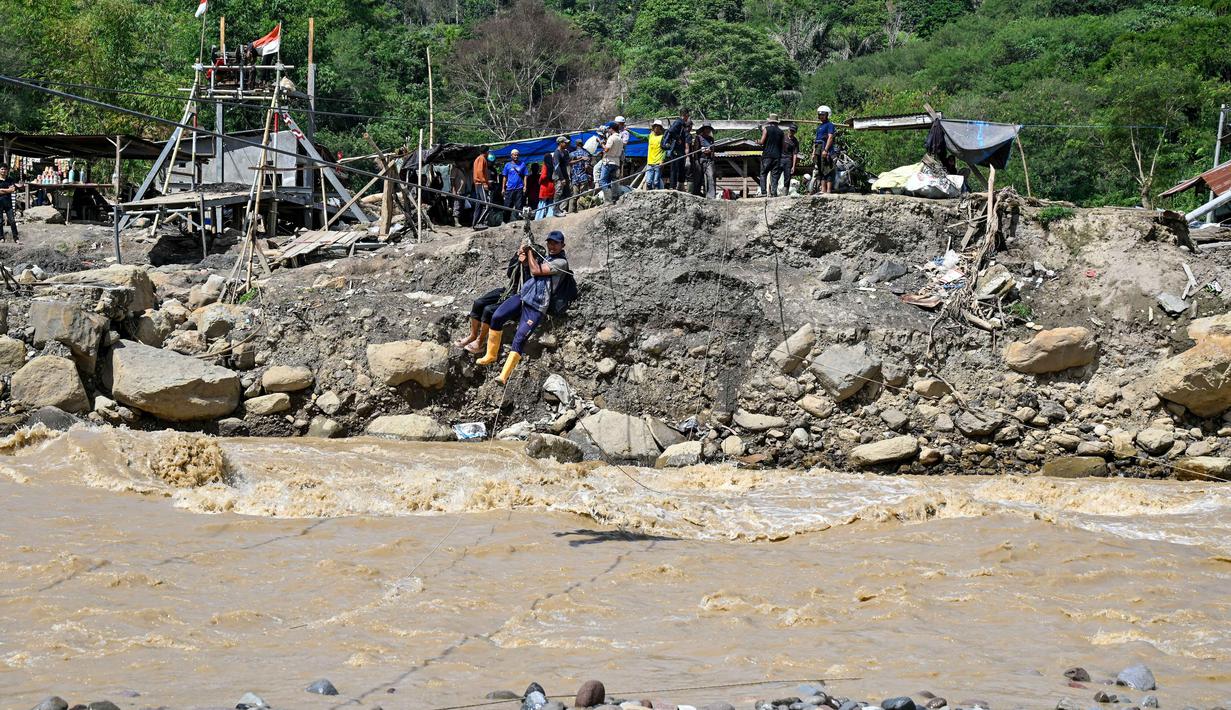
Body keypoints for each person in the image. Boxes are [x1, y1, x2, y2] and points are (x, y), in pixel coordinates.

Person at [477, 230, 570, 384]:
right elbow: (531, 271)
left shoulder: (561, 263)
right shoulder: (547, 257)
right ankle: (491, 354)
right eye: (550, 242)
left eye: (555, 243)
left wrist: (530, 253)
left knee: (519, 338)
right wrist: (524, 258)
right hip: (524, 296)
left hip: (537, 306)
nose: (552, 246)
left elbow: (536, 270)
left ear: (562, 245)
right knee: (497, 316)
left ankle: (504, 376)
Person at [456, 247, 534, 354]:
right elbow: (509, 274)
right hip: (509, 290)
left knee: (489, 310)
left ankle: (481, 341)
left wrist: (526, 265)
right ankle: (472, 335)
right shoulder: (519, 259)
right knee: (478, 303)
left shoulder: (534, 265)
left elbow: (529, 283)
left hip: (518, 296)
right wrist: (516, 257)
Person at [759, 113, 785, 197]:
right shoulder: (781, 132)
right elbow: (782, 145)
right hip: (777, 156)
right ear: (777, 122)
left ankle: (763, 192)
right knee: (774, 175)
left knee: (763, 173)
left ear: (770, 121)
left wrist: (757, 141)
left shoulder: (766, 129)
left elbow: (762, 142)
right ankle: (774, 192)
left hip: (767, 155)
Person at [813, 105, 837, 194]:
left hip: (825, 149)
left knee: (828, 170)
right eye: (819, 115)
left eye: (822, 115)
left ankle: (828, 190)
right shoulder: (819, 127)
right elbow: (816, 141)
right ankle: (823, 190)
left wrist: (825, 150)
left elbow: (830, 138)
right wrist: (813, 152)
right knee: (821, 170)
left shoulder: (830, 125)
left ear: (827, 115)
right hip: (818, 149)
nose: (821, 117)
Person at [666, 109, 691, 190]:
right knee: (674, 168)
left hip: (680, 150)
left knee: (681, 168)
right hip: (676, 150)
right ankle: (672, 186)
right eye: (687, 116)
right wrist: (677, 138)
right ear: (684, 115)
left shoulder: (681, 123)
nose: (687, 118)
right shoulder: (679, 122)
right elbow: (671, 130)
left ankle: (680, 186)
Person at [501, 149, 529, 220]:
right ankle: (505, 221)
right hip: (509, 189)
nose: (516, 156)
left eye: (517, 155)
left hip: (519, 188)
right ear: (511, 156)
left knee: (519, 206)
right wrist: (503, 188)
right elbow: (504, 177)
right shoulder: (507, 165)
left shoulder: (522, 164)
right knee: (507, 206)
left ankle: (519, 221)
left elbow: (525, 175)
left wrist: (525, 186)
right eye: (514, 155)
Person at [600, 125, 624, 203]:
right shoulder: (620, 138)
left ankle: (608, 201)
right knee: (612, 181)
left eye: (609, 128)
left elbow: (606, 149)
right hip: (616, 162)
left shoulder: (612, 138)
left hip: (608, 161)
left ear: (612, 129)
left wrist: (601, 143)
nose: (608, 130)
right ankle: (614, 198)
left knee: (603, 181)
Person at [471, 148, 492, 230]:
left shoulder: (478, 158)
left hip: (478, 184)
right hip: (480, 184)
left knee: (479, 205)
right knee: (487, 205)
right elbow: (480, 171)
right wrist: (484, 183)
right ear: (486, 152)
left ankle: (475, 223)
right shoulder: (482, 158)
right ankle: (479, 223)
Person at [568, 139, 591, 212]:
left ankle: (570, 211)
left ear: (576, 145)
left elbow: (569, 164)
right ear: (582, 144)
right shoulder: (586, 154)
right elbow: (587, 167)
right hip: (583, 177)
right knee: (583, 195)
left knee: (574, 196)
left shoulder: (571, 154)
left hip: (574, 177)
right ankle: (580, 211)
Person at [696, 123, 717, 199]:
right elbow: (695, 150)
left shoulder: (711, 139)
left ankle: (711, 195)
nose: (708, 130)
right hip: (700, 159)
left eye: (709, 129)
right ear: (703, 129)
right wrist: (697, 160)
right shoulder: (698, 138)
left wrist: (710, 153)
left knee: (711, 176)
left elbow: (713, 150)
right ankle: (696, 194)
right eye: (706, 128)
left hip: (709, 160)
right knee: (698, 177)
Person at [552, 136, 572, 214]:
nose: (566, 144)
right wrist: (562, 178)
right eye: (565, 142)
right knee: (558, 193)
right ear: (560, 143)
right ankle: (555, 210)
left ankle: (560, 209)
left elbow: (567, 163)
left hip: (564, 175)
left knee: (565, 193)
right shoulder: (557, 153)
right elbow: (556, 167)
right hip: (559, 176)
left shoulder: (563, 152)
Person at [0, 165, 20, 242]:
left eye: (5, 169)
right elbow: (9, 190)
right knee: (0, 221)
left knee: (12, 220)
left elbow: (12, 189)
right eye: (2, 169)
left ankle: (16, 238)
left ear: (7, 171)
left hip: (8, 203)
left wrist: (2, 190)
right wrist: (8, 190)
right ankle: (1, 238)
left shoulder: (10, 179)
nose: (3, 171)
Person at [645, 120, 666, 190]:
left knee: (656, 181)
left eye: (658, 127)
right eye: (655, 127)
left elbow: (664, 151)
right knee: (648, 182)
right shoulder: (650, 136)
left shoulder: (662, 138)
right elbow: (639, 136)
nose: (656, 128)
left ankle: (657, 193)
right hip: (650, 162)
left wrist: (662, 160)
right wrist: (630, 131)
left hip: (658, 162)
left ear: (660, 128)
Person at [535, 154, 556, 220]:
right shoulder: (553, 166)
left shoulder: (545, 166)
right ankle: (549, 217)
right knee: (550, 202)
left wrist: (539, 181)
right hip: (551, 186)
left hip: (545, 187)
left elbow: (543, 176)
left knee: (542, 203)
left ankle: (538, 218)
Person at [782, 125, 800, 195]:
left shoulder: (795, 141)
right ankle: (773, 192)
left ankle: (785, 193)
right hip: (780, 158)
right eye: (790, 130)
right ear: (788, 130)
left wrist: (793, 166)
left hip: (788, 159)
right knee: (776, 175)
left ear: (795, 132)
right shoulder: (783, 137)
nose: (791, 132)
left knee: (787, 177)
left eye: (793, 131)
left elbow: (795, 154)